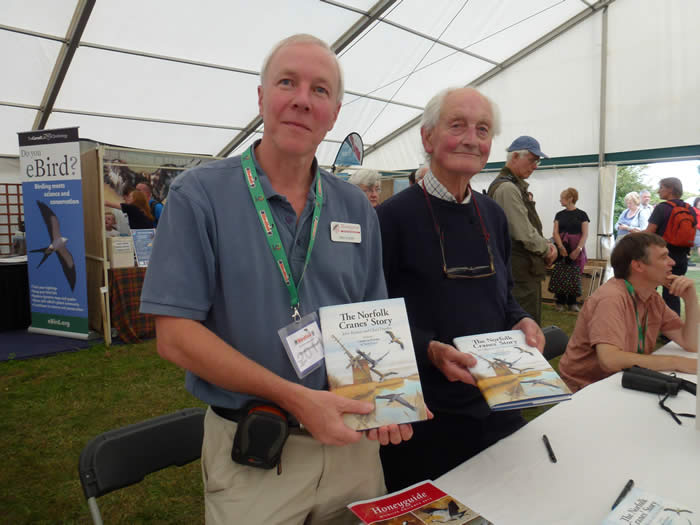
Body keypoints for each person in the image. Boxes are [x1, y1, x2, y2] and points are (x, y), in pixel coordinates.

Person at [139, 34, 413, 525]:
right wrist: (296, 399)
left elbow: (370, 318)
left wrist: (391, 401)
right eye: (288, 82)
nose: (302, 99)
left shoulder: (354, 206)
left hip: (353, 451)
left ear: (334, 113)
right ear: (262, 96)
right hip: (258, 456)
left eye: (320, 90)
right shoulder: (199, 195)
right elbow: (175, 338)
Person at [376, 86, 545, 492]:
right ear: (427, 137)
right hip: (426, 417)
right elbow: (372, 314)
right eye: (458, 126)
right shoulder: (390, 219)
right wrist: (428, 348)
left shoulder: (493, 214)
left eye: (483, 129)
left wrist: (520, 317)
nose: (471, 138)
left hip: (498, 400)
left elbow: (502, 295)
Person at [558, 232, 698, 392]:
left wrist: (690, 300)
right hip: (585, 389)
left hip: (621, 381)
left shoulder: (652, 298)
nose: (672, 262)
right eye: (663, 257)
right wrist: (676, 362)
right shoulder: (611, 298)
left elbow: (690, 343)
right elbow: (610, 359)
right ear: (638, 266)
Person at [487, 135, 557, 325]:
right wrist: (548, 248)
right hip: (519, 275)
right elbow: (523, 233)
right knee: (523, 329)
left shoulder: (512, 186)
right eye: (533, 160)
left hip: (522, 272)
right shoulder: (507, 188)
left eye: (537, 161)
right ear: (515, 156)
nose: (535, 166)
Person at [645, 177, 698, 315]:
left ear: (670, 189)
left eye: (661, 187)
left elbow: (648, 233)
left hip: (660, 258)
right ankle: (670, 333)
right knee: (673, 294)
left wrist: (634, 235)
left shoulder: (662, 208)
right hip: (681, 258)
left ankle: (649, 324)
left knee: (649, 291)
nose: (658, 191)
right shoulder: (690, 209)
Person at [550, 187, 590, 312]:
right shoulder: (559, 214)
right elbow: (555, 232)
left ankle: (573, 303)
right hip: (562, 245)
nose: (560, 200)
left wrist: (578, 249)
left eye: (562, 198)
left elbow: (585, 234)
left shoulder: (582, 215)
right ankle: (560, 302)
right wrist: (561, 247)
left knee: (574, 274)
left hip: (576, 246)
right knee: (560, 273)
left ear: (570, 199)